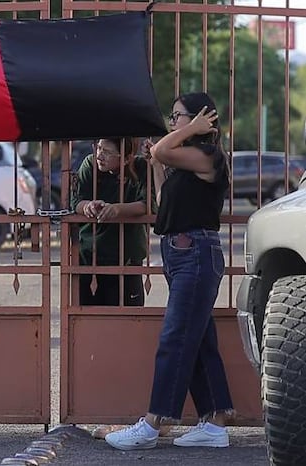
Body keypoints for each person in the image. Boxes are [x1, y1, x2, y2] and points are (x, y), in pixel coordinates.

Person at [105, 92, 234, 451]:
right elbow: (164, 203)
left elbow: (163, 149)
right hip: (181, 255)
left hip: (195, 253)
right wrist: (159, 169)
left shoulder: (209, 156)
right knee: (199, 339)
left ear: (201, 121)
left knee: (175, 339)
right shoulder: (186, 163)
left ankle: (152, 423)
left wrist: (183, 134)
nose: (172, 122)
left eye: (178, 116)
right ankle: (214, 424)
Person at [71, 138, 150, 307]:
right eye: (98, 148)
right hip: (90, 256)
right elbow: (75, 201)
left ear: (126, 158)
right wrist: (87, 206)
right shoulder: (90, 164)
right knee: (86, 318)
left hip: (126, 257)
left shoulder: (140, 167)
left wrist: (118, 209)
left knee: (128, 320)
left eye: (107, 152)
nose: (100, 155)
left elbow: (149, 205)